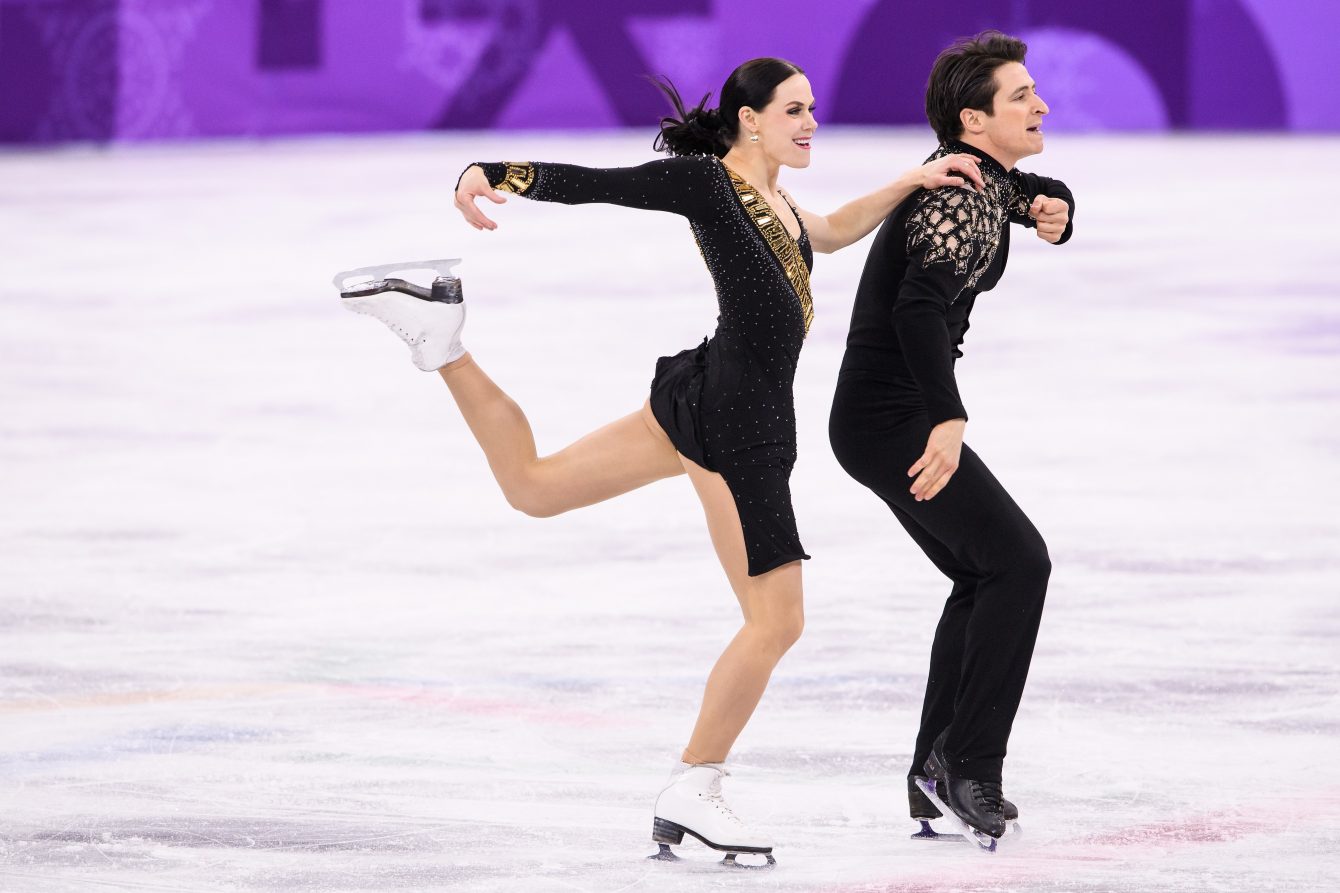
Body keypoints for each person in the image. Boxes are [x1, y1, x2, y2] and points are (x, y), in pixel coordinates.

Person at [337, 57, 984, 862]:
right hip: (736, 424)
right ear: (750, 119)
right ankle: (696, 783)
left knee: (533, 487)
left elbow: (835, 229)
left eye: (812, 108)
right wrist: (494, 171)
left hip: (703, 394)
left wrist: (917, 179)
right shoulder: (712, 185)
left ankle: (440, 336)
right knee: (777, 620)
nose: (810, 121)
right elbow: (602, 183)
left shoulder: (776, 199)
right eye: (793, 109)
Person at [827, 31, 1075, 845]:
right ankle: (970, 767)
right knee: (1017, 561)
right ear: (974, 119)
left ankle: (936, 770)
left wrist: (1054, 208)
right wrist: (947, 415)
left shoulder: (978, 178)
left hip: (876, 413)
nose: (1040, 104)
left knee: (982, 574)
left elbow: (1028, 190)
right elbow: (917, 308)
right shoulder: (958, 197)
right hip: (894, 413)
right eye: (1020, 97)